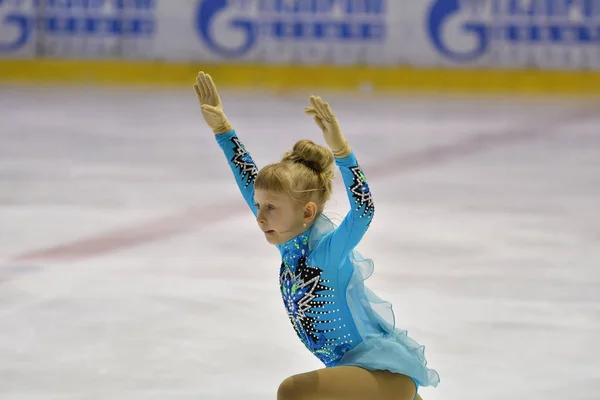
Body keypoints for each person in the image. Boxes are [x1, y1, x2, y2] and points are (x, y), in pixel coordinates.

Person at [193, 71, 440, 400]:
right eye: (258, 206)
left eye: (270, 208)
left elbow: (363, 210)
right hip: (357, 376)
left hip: (378, 372)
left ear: (307, 212)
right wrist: (223, 130)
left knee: (293, 391)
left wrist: (343, 153)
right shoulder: (288, 242)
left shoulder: (326, 252)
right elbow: (248, 177)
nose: (260, 217)